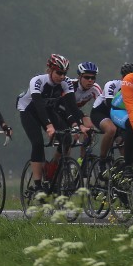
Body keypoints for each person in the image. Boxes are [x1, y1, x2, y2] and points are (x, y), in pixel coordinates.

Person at [16, 54, 81, 190]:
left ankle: (52, 169)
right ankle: (37, 184)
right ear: (50, 70)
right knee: (38, 143)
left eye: (64, 73)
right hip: (29, 110)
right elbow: (38, 105)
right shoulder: (37, 81)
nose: (62, 76)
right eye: (59, 73)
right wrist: (49, 126)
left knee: (67, 139)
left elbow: (71, 106)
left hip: (48, 109)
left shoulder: (66, 82)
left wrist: (78, 125)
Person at [94, 62, 133, 164]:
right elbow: (111, 106)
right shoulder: (112, 85)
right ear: (122, 77)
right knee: (111, 130)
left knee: (124, 142)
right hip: (101, 112)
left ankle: (125, 168)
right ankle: (102, 160)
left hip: (119, 114)